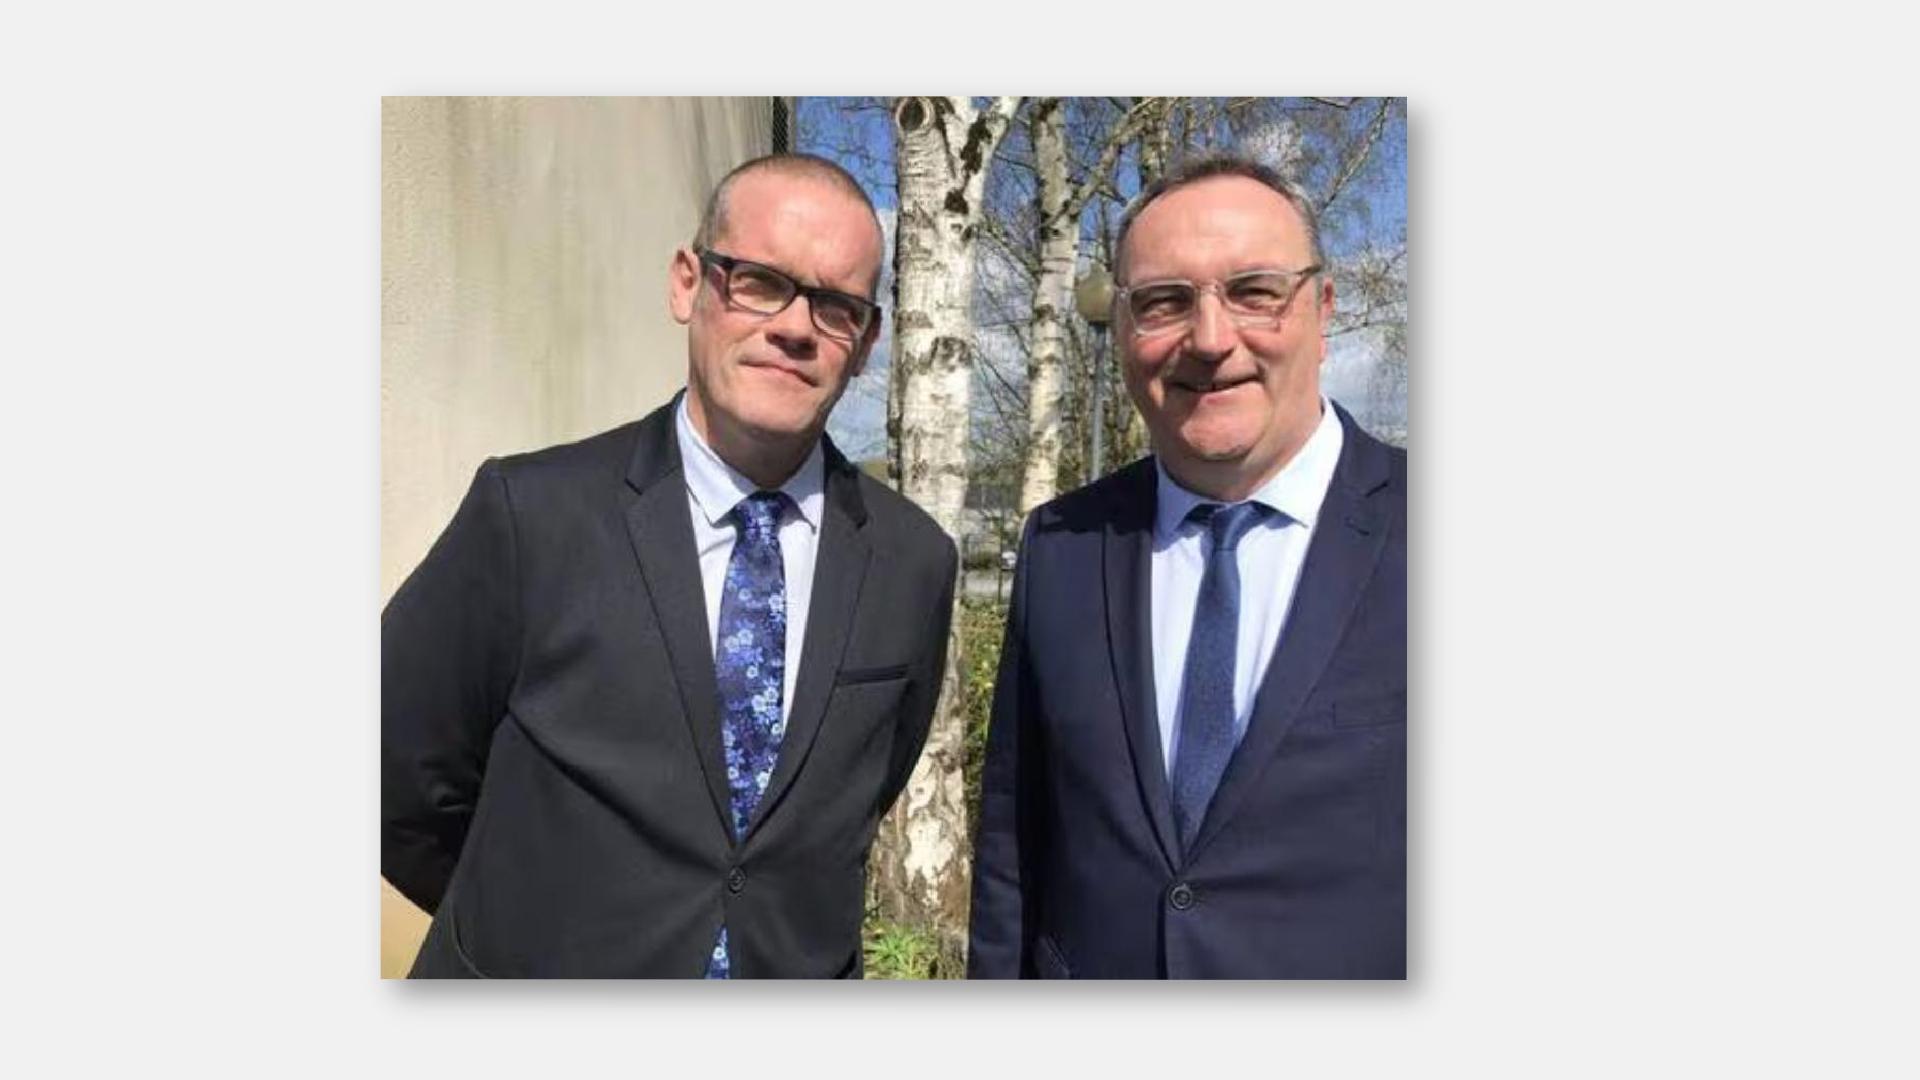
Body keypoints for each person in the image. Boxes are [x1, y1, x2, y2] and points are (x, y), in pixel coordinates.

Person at [383, 153, 958, 978]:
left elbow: (864, 793)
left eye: (835, 305)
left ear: (865, 342)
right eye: (760, 281)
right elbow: (394, 776)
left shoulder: (912, 563)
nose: (795, 327)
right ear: (689, 284)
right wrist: (523, 928)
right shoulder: (531, 514)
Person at [968, 156, 1405, 979]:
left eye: (1254, 291)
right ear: (1123, 330)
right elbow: (1012, 853)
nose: (1209, 339)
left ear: (1323, 308)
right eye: (1165, 302)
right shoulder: (1062, 544)